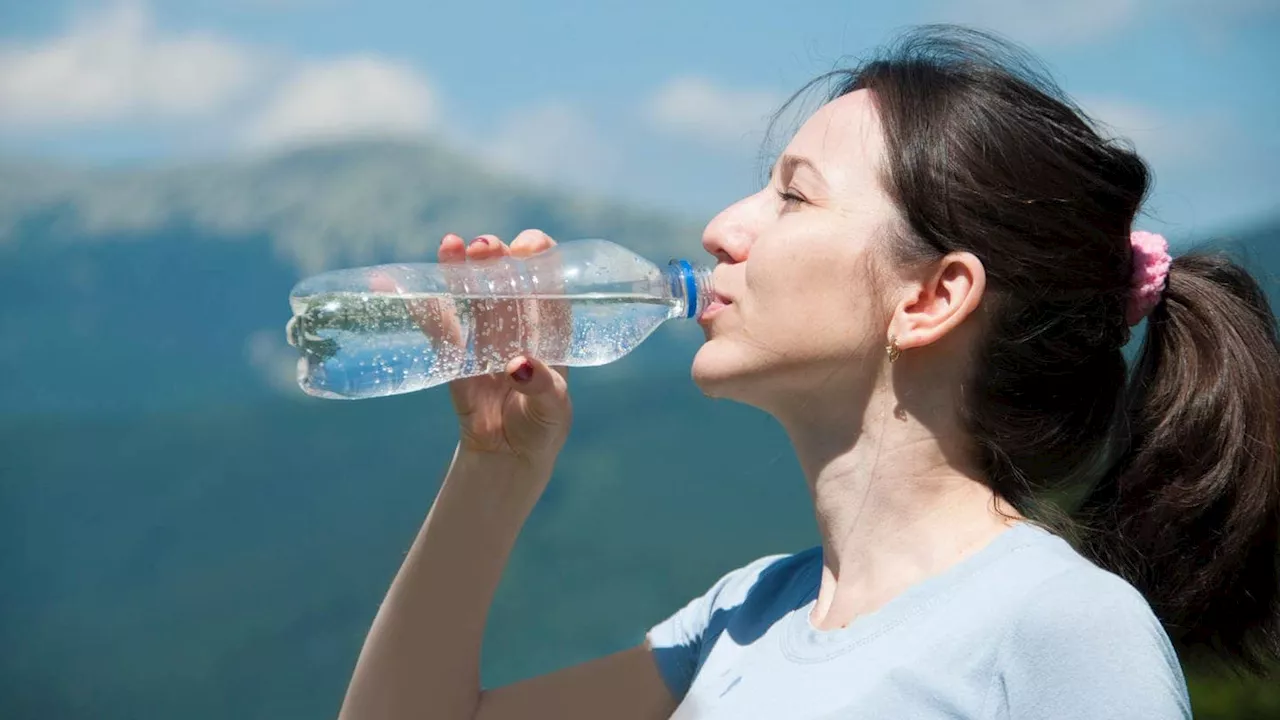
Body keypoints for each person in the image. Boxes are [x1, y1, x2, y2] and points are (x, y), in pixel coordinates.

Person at [337, 26, 1279, 720]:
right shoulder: (745, 616)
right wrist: (496, 470)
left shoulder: (1061, 629)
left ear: (932, 298)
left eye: (792, 196)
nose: (721, 229)